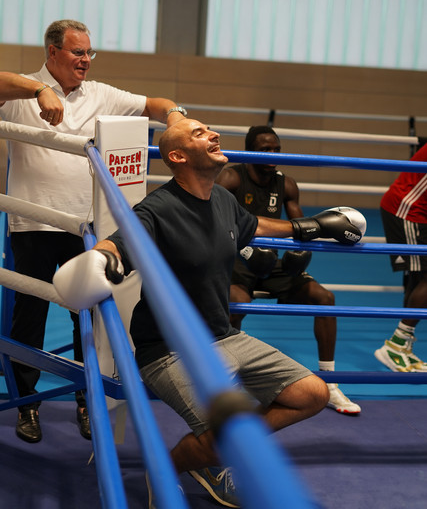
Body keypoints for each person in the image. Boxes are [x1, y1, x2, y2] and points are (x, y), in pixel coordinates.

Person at [53, 119, 365, 508]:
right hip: (169, 350)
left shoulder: (222, 199)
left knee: (313, 394)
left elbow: (253, 225)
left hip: (225, 336)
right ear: (178, 157)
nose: (214, 134)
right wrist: (102, 259)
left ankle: (214, 451)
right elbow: (119, 241)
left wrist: (310, 227)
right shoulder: (158, 209)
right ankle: (171, 467)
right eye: (199, 134)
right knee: (229, 438)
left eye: (209, 130)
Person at [0, 18, 187, 444]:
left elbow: (156, 104)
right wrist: (38, 90)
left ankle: (87, 399)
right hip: (31, 223)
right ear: (52, 52)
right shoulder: (24, 89)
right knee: (28, 317)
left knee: (88, 318)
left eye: (89, 53)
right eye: (77, 52)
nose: (85, 60)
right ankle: (26, 403)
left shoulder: (101, 94)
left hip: (84, 227)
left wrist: (174, 117)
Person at [215, 126, 361, 415]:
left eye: (276, 150)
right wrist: (245, 250)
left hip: (270, 262)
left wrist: (301, 252)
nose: (272, 156)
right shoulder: (232, 178)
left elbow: (302, 228)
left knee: (324, 298)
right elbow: (213, 220)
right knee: (237, 305)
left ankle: (330, 384)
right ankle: (229, 386)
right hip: (236, 262)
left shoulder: (287, 184)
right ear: (249, 151)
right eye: (264, 150)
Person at [375, 142, 427, 372]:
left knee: (419, 277)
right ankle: (396, 345)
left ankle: (402, 346)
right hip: (407, 210)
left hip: (416, 210)